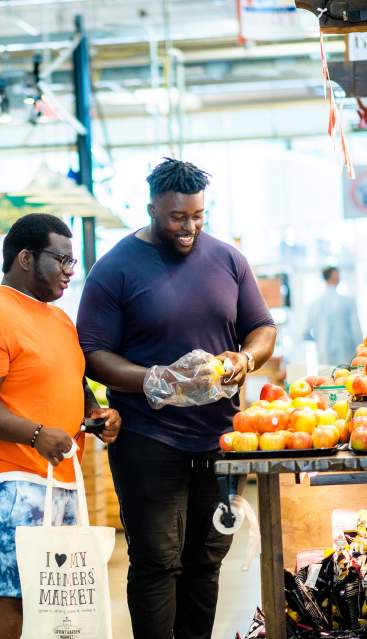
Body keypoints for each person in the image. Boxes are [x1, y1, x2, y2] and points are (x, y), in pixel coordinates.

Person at [76, 158, 277, 639]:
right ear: (151, 209)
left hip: (222, 441)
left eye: (198, 216)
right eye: (177, 217)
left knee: (207, 560)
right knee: (157, 561)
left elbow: (263, 329)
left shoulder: (229, 261)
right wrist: (154, 380)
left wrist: (244, 360)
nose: (189, 227)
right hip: (148, 437)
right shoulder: (115, 268)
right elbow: (92, 353)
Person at [0, 213, 121, 639]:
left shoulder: (57, 318)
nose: (68, 272)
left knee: (55, 596)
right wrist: (36, 433)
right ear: (25, 258)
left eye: (72, 263)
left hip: (54, 476)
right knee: (17, 596)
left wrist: (93, 413)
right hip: (5, 480)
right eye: (61, 260)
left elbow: (71, 379)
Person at [304, 266, 362, 367]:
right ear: (335, 277)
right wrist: (361, 353)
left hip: (323, 357)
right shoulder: (348, 302)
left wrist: (319, 339)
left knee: (326, 381)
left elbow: (305, 333)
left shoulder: (314, 305)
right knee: (345, 381)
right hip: (346, 356)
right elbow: (356, 331)